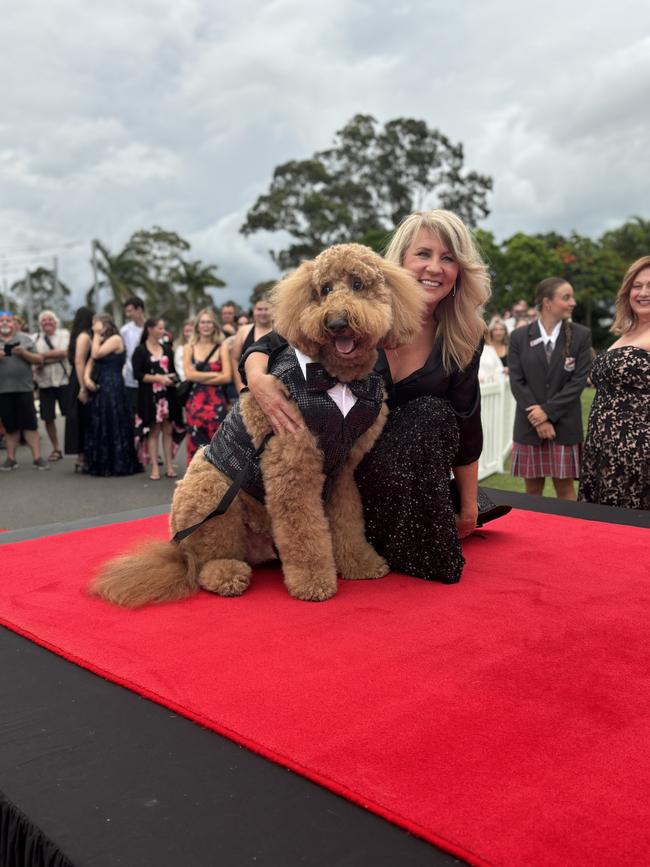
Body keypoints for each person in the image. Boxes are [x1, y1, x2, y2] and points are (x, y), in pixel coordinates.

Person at [243, 209, 500, 585]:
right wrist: (256, 378)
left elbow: (467, 421)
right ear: (400, 262)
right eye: (423, 254)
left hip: (406, 483)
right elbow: (274, 339)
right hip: (346, 475)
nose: (434, 268)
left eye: (448, 258)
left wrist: (467, 506)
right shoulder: (349, 310)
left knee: (433, 413)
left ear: (460, 271)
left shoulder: (464, 335)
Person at [508, 277, 592, 500]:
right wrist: (538, 418)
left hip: (564, 427)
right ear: (547, 302)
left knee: (565, 491)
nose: (572, 302)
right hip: (529, 426)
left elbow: (578, 382)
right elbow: (516, 381)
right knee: (532, 492)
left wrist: (547, 413)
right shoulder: (519, 337)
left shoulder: (581, 335)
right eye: (566, 297)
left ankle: (571, 534)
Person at [579, 256, 650, 510]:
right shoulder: (625, 333)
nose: (643, 293)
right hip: (601, 451)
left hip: (639, 456)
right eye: (637, 286)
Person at [84, 314, 140, 476]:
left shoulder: (115, 339)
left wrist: (95, 335)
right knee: (100, 422)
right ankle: (101, 461)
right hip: (100, 385)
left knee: (114, 421)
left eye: (97, 324)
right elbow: (91, 361)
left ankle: (118, 462)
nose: (94, 327)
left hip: (112, 385)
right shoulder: (100, 341)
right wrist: (87, 378)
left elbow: (96, 354)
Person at [132, 317, 185, 480]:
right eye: (160, 328)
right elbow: (137, 375)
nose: (163, 331)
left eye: (163, 328)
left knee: (168, 430)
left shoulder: (167, 349)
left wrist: (170, 377)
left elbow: (174, 370)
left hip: (167, 396)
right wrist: (159, 378)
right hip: (150, 396)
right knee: (153, 431)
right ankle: (154, 466)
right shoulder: (140, 350)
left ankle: (169, 465)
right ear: (150, 329)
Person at [0, 310, 49, 470]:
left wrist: (24, 353)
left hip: (24, 389)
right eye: (2, 321)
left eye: (8, 320)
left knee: (30, 426)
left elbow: (39, 360)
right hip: (3, 391)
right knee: (10, 427)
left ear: (14, 323)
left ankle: (37, 458)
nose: (5, 323)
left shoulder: (25, 340)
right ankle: (11, 459)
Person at [183, 308, 232, 464]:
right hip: (195, 404)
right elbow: (189, 375)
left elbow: (227, 377)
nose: (206, 326)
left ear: (214, 325)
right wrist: (214, 375)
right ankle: (194, 481)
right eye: (203, 322)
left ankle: (215, 481)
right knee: (195, 444)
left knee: (217, 444)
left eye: (209, 322)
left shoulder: (222, 347)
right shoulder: (189, 347)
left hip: (217, 404)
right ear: (197, 325)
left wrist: (199, 377)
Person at [33, 310, 71, 461]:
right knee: (47, 417)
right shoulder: (36, 338)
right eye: (43, 320)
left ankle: (75, 447)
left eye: (50, 319)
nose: (47, 322)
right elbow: (34, 359)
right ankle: (56, 448)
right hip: (45, 383)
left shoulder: (64, 334)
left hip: (63, 380)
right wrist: (43, 358)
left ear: (56, 322)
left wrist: (42, 357)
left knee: (70, 415)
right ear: (40, 324)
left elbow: (63, 353)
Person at [64, 306, 93, 472]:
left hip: (76, 379)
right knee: (82, 418)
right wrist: (83, 387)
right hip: (80, 380)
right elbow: (79, 361)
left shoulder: (76, 335)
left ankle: (82, 456)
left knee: (80, 418)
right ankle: (82, 458)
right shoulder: (84, 336)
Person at [230, 297, 274, 394]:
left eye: (266, 309)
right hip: (247, 387)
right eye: (259, 309)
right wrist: (239, 384)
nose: (263, 313)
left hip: (274, 386)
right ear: (253, 310)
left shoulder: (280, 331)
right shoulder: (243, 331)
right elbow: (234, 358)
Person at [119, 296, 146, 413]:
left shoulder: (152, 328)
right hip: (131, 380)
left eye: (130, 311)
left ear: (139, 310)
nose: (128, 315)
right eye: (126, 311)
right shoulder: (124, 331)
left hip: (150, 379)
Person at [479, 318, 509, 383]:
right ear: (491, 331)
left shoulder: (510, 348)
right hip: (491, 385)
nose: (499, 332)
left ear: (505, 331)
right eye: (495, 330)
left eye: (501, 329)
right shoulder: (485, 349)